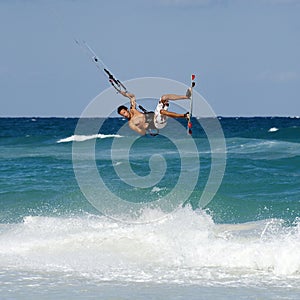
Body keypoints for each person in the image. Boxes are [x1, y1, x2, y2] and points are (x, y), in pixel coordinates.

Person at [117, 88, 192, 135]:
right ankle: (185, 116)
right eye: (122, 115)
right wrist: (142, 127)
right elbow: (142, 133)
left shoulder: (133, 109)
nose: (124, 115)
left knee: (164, 97)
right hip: (157, 124)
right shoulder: (131, 123)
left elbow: (132, 97)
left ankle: (186, 96)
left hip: (155, 115)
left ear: (126, 110)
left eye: (124, 113)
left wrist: (124, 93)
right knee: (162, 111)